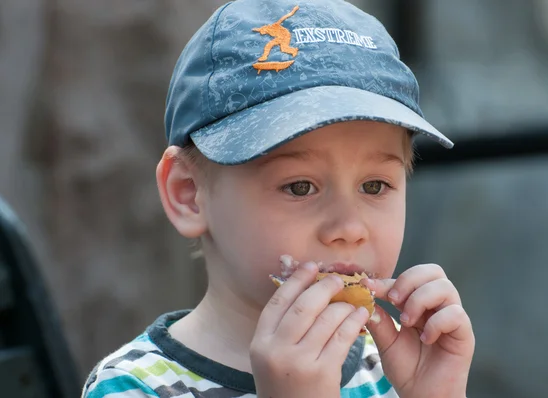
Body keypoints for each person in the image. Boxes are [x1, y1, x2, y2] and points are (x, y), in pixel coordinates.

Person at [82, 0, 475, 397]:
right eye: (299, 187)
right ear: (189, 195)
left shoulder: (392, 366)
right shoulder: (132, 387)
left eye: (373, 186)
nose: (349, 228)